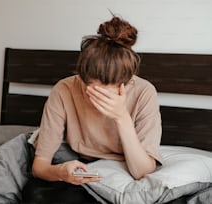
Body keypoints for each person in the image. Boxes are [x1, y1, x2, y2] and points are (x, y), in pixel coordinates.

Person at [22, 15, 163, 203]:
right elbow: (39, 166)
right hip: (82, 164)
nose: (97, 99)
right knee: (34, 194)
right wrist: (60, 172)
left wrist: (121, 117)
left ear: (125, 83)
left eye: (107, 91)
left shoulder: (144, 92)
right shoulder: (65, 90)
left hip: (125, 167)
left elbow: (142, 171)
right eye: (92, 89)